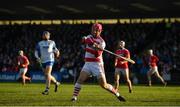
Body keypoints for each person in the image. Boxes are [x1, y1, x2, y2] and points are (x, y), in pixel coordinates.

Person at [71, 23, 126, 102]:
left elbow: (97, 55)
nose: (94, 32)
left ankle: (117, 94)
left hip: (97, 65)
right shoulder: (89, 37)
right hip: (88, 64)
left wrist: (97, 48)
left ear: (100, 31)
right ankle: (74, 97)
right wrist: (87, 41)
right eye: (93, 30)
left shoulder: (102, 42)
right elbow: (84, 40)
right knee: (80, 79)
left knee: (104, 85)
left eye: (97, 31)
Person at [35, 31, 60, 95]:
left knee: (47, 73)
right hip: (43, 61)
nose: (45, 36)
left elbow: (56, 50)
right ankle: (56, 83)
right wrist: (37, 57)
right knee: (47, 75)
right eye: (44, 35)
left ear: (49, 36)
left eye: (47, 35)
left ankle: (47, 89)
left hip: (50, 60)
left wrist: (57, 53)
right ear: (42, 36)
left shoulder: (52, 42)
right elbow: (36, 52)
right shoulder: (39, 43)